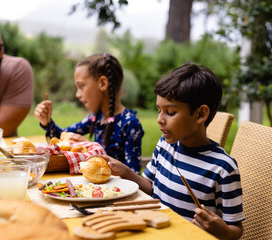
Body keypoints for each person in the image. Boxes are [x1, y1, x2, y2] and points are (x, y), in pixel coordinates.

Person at [97, 62, 245, 239]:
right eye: (159, 110)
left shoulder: (223, 168)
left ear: (200, 114)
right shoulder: (165, 145)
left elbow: (236, 230)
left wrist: (222, 231)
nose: (160, 120)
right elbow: (152, 189)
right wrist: (126, 172)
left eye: (170, 112)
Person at [34, 53, 144, 173]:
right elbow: (62, 136)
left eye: (81, 86)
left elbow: (134, 175)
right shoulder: (96, 118)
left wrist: (93, 149)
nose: (77, 94)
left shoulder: (130, 124)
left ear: (102, 83)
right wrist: (47, 122)